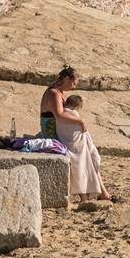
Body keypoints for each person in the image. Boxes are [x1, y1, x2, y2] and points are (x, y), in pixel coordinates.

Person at [41, 65, 110, 203]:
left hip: (62, 130)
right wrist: (80, 121)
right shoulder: (54, 93)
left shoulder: (60, 92)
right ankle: (88, 193)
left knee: (89, 151)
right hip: (52, 131)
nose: (73, 87)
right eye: (73, 83)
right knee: (81, 153)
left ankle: (101, 192)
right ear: (67, 79)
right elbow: (59, 116)